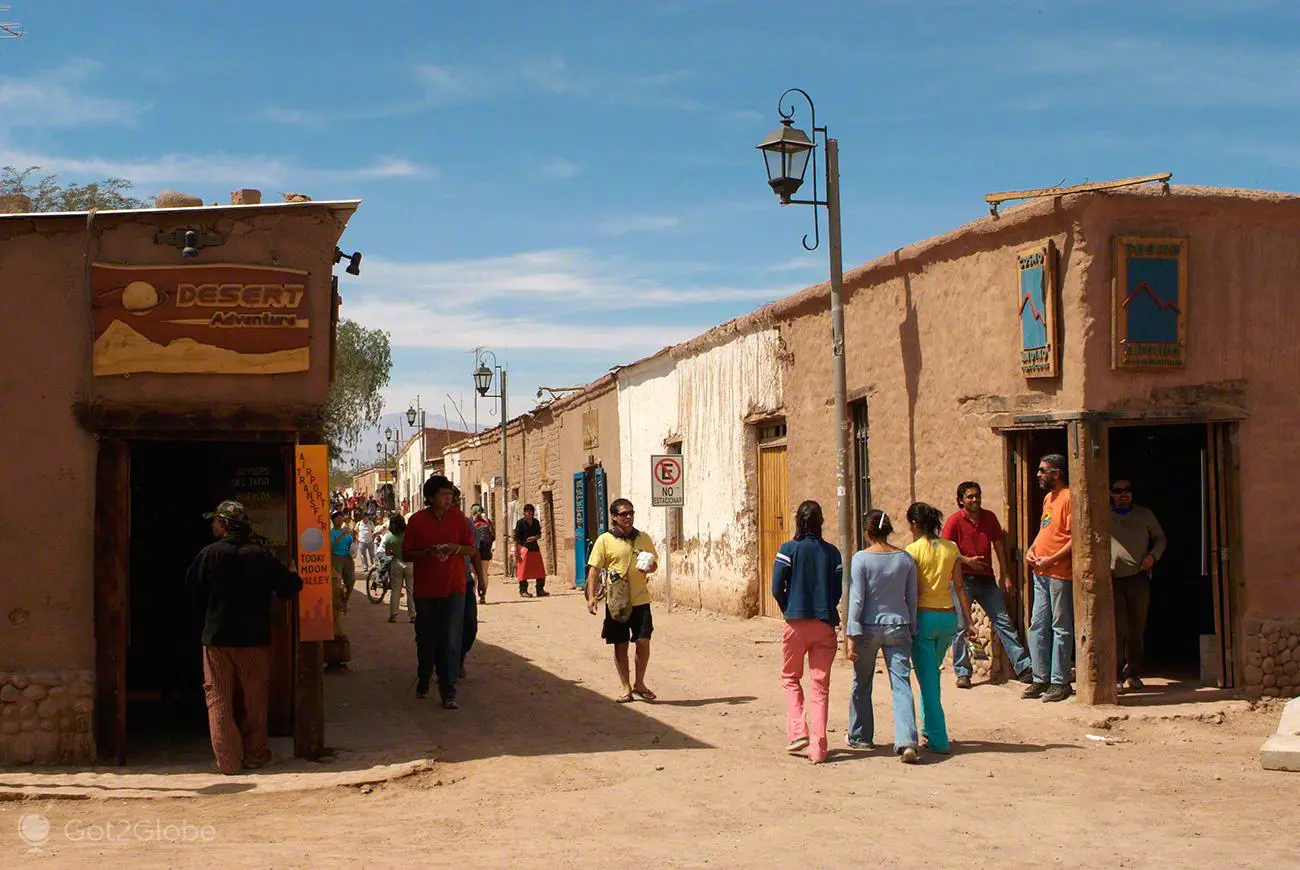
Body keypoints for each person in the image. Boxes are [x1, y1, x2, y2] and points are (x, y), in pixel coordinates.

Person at [184, 500, 302, 775]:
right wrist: (293, 575)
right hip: (254, 640)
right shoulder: (260, 555)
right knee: (255, 699)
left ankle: (227, 761)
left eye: (215, 521)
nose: (212, 525)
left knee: (219, 699)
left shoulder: (209, 554)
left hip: (217, 641)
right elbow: (290, 586)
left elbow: (191, 587)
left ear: (224, 525)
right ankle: (256, 755)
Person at [845, 509, 920, 763]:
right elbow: (912, 597)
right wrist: (913, 626)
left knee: (861, 682)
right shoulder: (905, 559)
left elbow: (857, 599)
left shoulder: (861, 560)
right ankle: (907, 741)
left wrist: (851, 633)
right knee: (901, 684)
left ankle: (861, 736)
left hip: (867, 628)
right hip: (899, 626)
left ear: (867, 533)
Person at [943, 481, 1034, 688]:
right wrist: (966, 561)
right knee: (961, 627)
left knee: (1003, 621)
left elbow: (999, 544)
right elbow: (946, 550)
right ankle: (963, 673)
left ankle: (1023, 667)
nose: (975, 500)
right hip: (962, 580)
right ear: (961, 500)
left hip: (986, 579)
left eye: (977, 495)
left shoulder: (989, 517)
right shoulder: (954, 522)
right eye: (970, 497)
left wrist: (1006, 575)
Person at [771, 500, 842, 764]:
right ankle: (819, 747)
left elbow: (777, 586)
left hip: (796, 623)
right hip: (824, 624)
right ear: (821, 522)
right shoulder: (833, 553)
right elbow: (837, 591)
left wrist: (787, 607)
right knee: (820, 685)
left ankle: (798, 731)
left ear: (798, 521)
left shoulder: (788, 550)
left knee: (790, 677)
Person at [905, 502, 973, 755]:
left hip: (923, 618)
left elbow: (911, 590)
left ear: (914, 524)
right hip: (948, 618)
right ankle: (930, 727)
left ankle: (938, 737)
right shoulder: (951, 548)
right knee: (930, 674)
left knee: (928, 678)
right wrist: (969, 620)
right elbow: (960, 586)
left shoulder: (912, 551)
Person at [402, 475, 475, 708]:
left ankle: (448, 690)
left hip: (454, 588)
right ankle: (424, 675)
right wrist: (427, 553)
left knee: (451, 638)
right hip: (425, 591)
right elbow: (406, 554)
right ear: (431, 497)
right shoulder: (416, 521)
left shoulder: (459, 519)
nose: (448, 498)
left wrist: (455, 549)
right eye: (443, 494)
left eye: (450, 494)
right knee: (426, 638)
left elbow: (472, 548)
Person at [585, 498, 659, 703]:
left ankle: (640, 683)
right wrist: (591, 597)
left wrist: (651, 567)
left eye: (631, 513)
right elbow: (594, 569)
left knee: (643, 641)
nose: (628, 517)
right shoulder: (605, 540)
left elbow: (654, 563)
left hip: (640, 599)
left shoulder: (643, 538)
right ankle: (626, 687)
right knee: (620, 644)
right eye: (624, 514)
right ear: (614, 517)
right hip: (616, 601)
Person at [1024, 453, 1074, 703]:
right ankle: (1039, 678)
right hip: (1040, 572)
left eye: (1043, 470)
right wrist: (1033, 549)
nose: (1038, 474)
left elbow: (1076, 537)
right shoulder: (1048, 498)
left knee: (1060, 627)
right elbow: (1046, 530)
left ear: (1057, 473)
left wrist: (1052, 558)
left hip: (1059, 573)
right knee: (1037, 625)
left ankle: (1060, 681)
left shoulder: (1069, 498)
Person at [1109, 477, 1167, 692]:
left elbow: (1161, 538)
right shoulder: (1104, 515)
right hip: (1114, 579)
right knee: (1117, 628)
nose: (1123, 494)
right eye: (1117, 490)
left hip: (1139, 578)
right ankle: (1114, 675)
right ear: (1111, 494)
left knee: (1136, 628)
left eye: (1127, 490)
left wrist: (1153, 557)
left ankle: (1133, 674)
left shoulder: (1144, 514)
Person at [455, 487, 487, 678]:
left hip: (465, 581)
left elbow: (475, 552)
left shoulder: (467, 524)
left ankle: (459, 658)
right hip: (444, 584)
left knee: (470, 626)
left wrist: (481, 579)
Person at [384, 513, 416, 624]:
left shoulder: (389, 537)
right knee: (411, 590)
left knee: (395, 590)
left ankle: (393, 615)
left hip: (396, 563)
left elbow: (388, 553)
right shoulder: (408, 535)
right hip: (410, 563)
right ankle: (413, 615)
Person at [514, 503, 548, 597]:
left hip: (535, 548)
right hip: (525, 548)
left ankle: (540, 590)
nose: (529, 513)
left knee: (540, 571)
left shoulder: (536, 522)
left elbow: (539, 534)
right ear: (524, 513)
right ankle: (523, 590)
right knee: (523, 571)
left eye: (530, 511)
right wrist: (517, 551)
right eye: (527, 511)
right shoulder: (520, 523)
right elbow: (516, 538)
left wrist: (535, 537)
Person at [330, 512, 356, 612]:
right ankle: (337, 603)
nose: (340, 521)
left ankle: (345, 600)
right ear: (333, 520)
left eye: (341, 519)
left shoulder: (346, 532)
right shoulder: (331, 532)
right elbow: (331, 545)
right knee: (337, 581)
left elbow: (351, 544)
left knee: (351, 580)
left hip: (347, 558)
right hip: (336, 557)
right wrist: (341, 535)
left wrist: (353, 538)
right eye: (338, 519)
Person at [471, 506, 493, 605]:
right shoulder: (488, 523)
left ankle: (472, 595)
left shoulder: (472, 524)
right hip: (486, 550)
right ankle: (483, 596)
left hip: (475, 550)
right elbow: (493, 536)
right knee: (484, 572)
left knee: (474, 573)